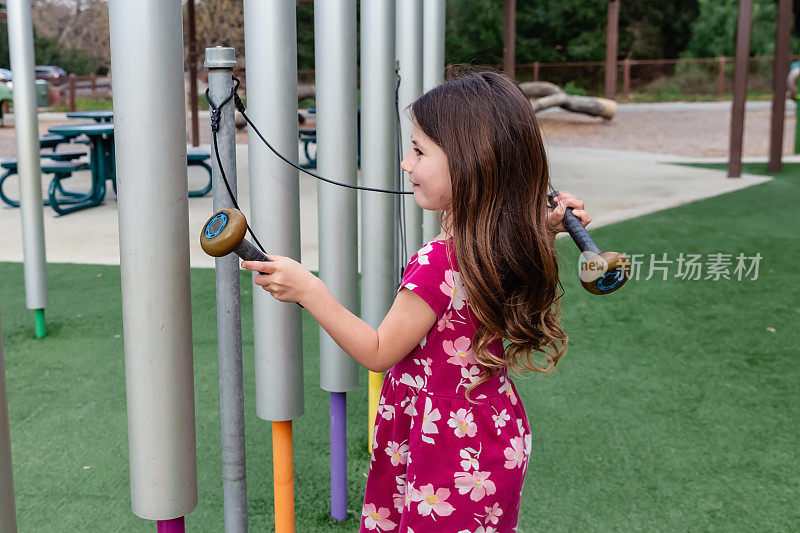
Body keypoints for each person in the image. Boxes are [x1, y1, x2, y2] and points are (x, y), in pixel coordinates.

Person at [242, 70, 591, 532]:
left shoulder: (441, 260)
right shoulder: (495, 243)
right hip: (490, 434)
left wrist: (309, 289)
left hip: (441, 445)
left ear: (472, 162)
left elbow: (378, 350)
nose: (406, 164)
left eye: (419, 151)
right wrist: (541, 227)